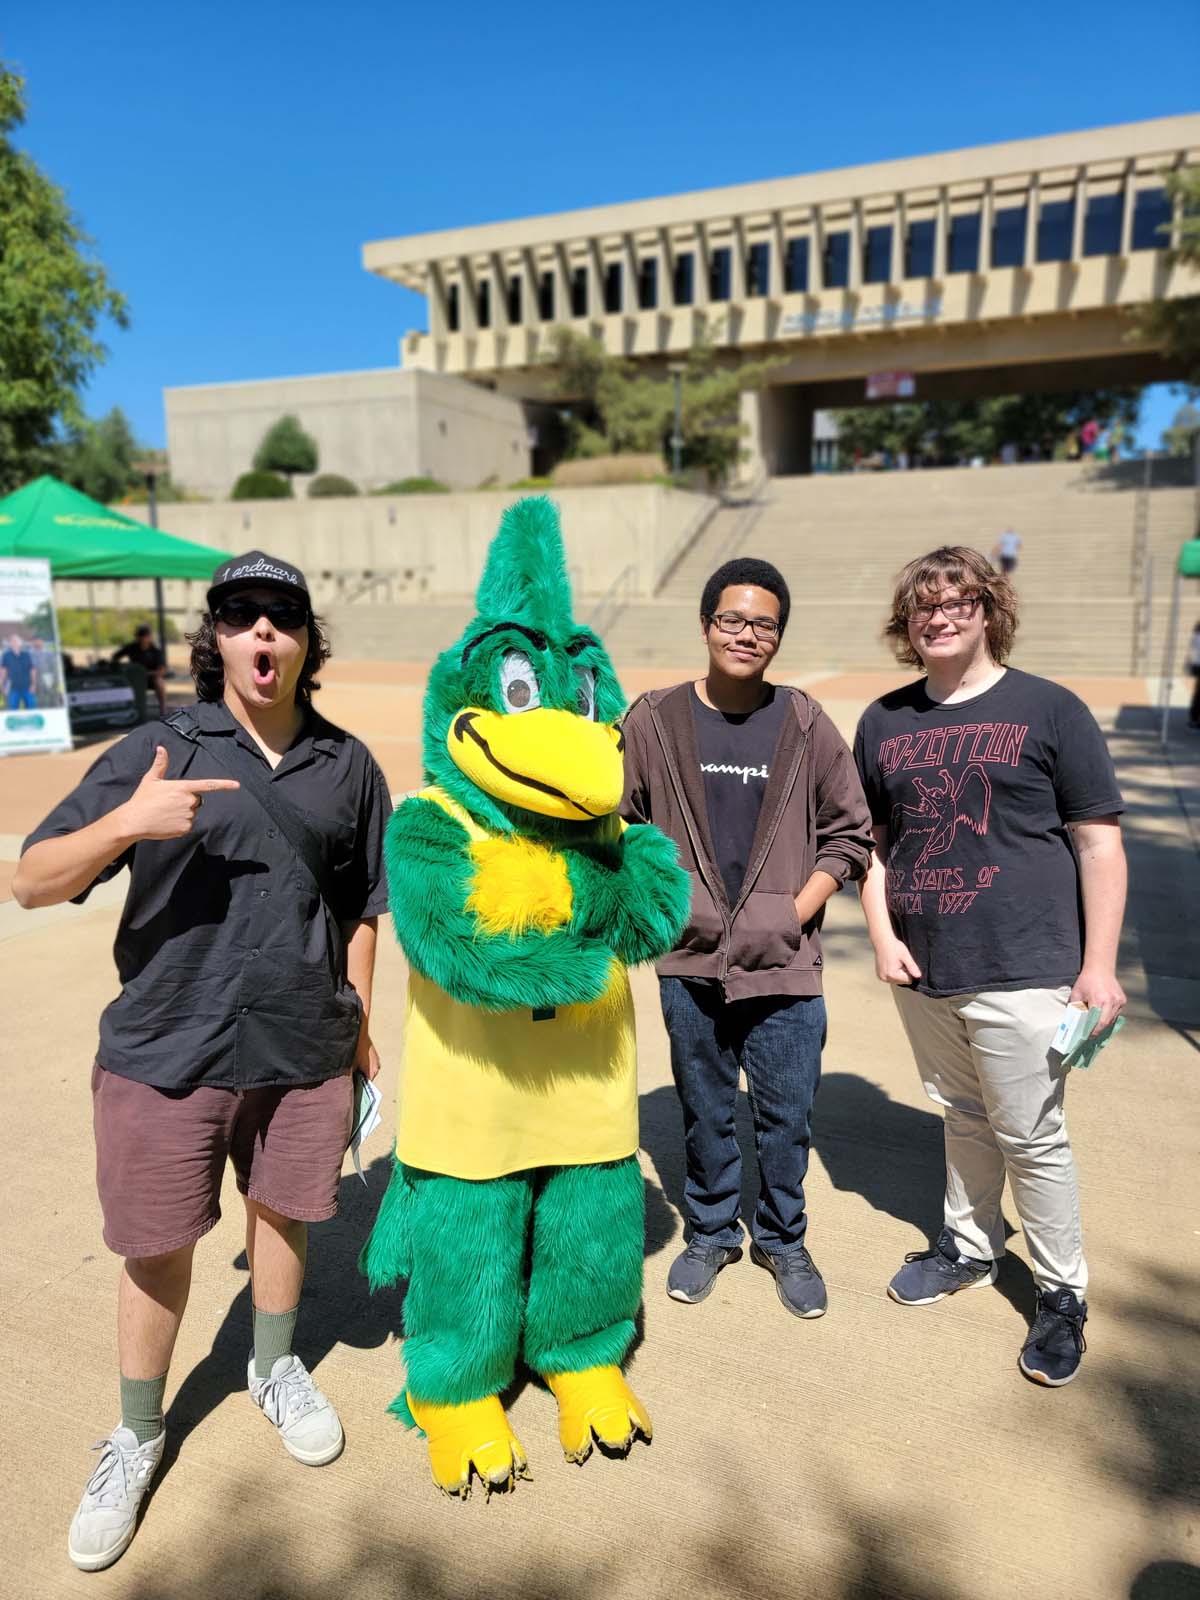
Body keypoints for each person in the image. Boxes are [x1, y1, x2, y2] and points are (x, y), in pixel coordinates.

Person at [14, 549, 392, 1571]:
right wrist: (127, 823)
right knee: (157, 1243)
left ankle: (273, 1367)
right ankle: (136, 1434)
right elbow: (31, 879)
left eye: (283, 617)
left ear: (309, 641)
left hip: (304, 1042)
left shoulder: (348, 764)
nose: (264, 634)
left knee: (284, 1213)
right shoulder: (158, 746)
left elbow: (363, 902)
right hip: (168, 1043)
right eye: (242, 616)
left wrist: (358, 1014)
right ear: (215, 638)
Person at [853, 545, 1126, 1388]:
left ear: (988, 609)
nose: (939, 616)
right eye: (923, 606)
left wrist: (1101, 967)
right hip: (927, 963)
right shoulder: (884, 720)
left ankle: (1060, 1295)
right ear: (907, 623)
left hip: (1029, 963)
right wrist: (880, 934)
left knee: (1032, 1137)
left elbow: (1097, 843)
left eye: (957, 601)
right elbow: (871, 845)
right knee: (962, 1114)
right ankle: (970, 1247)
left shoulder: (1050, 708)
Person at [621, 558, 873, 1319]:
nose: (747, 634)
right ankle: (711, 1232)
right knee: (704, 1109)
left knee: (786, 1114)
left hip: (786, 963)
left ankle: (783, 1238)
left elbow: (849, 834)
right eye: (732, 619)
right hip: (689, 960)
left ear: (778, 636)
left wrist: (790, 913)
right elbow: (619, 819)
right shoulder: (655, 718)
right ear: (705, 625)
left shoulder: (803, 721)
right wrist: (668, 904)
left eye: (764, 623)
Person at [113, 623, 167, 717]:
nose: (143, 639)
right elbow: (115, 657)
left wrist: (147, 673)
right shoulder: (131, 647)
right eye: (140, 636)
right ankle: (125, 710)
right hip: (134, 679)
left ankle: (163, 709)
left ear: (149, 637)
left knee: (159, 681)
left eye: (145, 636)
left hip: (150, 678)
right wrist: (124, 667)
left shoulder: (155, 651)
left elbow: (161, 671)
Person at [1, 630, 37, 709]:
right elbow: (3, 671)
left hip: (28, 687)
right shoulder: (6, 655)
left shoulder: (27, 654)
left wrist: (34, 684)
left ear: (20, 643)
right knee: (13, 711)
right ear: (10, 644)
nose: (14, 642)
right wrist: (3, 685)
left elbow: (32, 670)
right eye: (11, 641)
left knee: (32, 709)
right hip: (12, 688)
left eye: (16, 640)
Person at [1187, 621, 1200, 730]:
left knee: (1198, 694)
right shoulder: (1197, 637)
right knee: (1198, 694)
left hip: (1197, 666)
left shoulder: (1196, 636)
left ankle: (1194, 719)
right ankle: (1194, 719)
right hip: (1198, 665)